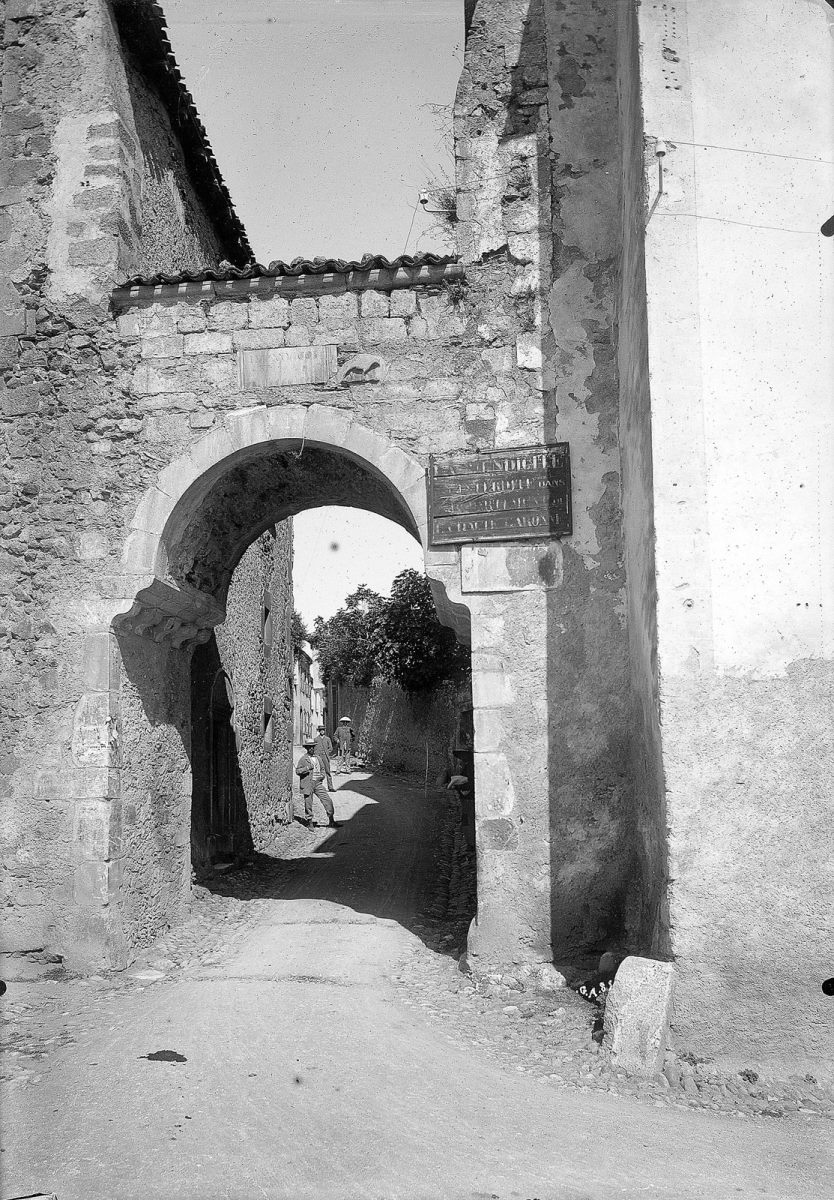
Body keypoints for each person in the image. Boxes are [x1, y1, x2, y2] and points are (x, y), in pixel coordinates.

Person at [295, 740, 338, 830]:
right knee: (308, 804)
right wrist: (307, 768)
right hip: (308, 784)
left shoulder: (318, 758)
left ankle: (332, 820)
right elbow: (298, 771)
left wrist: (322, 776)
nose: (311, 749)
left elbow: (322, 769)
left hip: (318, 783)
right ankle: (310, 823)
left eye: (313, 747)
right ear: (306, 748)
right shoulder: (303, 759)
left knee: (327, 800)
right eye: (309, 747)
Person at [312, 724, 334, 790]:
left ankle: (330, 787)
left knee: (328, 772)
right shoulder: (316, 739)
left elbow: (331, 748)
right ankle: (318, 787)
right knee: (318, 772)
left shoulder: (327, 739)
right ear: (319, 731)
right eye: (321, 730)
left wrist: (327, 752)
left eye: (323, 730)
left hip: (325, 757)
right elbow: (313, 748)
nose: (322, 731)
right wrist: (316, 754)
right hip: (318, 757)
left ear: (324, 731)